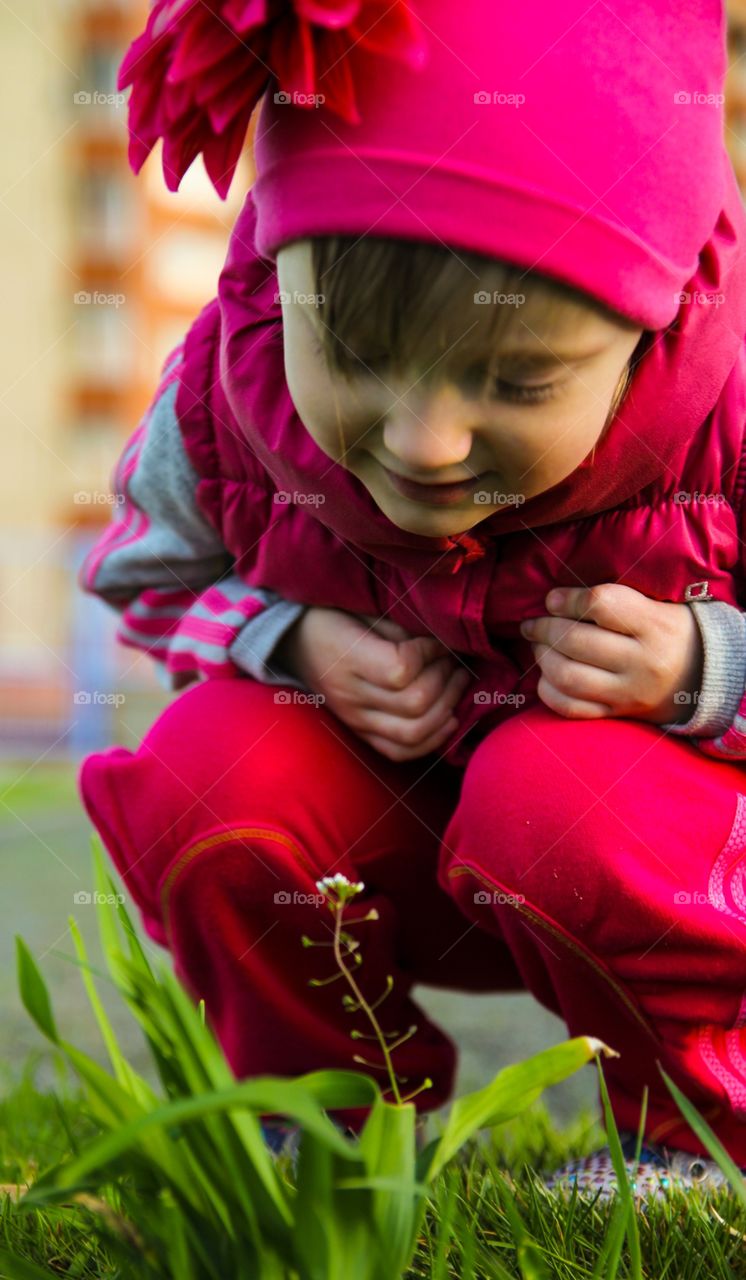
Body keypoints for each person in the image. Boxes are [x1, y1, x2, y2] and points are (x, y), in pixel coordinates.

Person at [77, 0, 746, 1195]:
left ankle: (697, 1129)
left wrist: (708, 668)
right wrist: (285, 638)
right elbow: (141, 578)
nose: (422, 443)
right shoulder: (222, 401)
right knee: (208, 768)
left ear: (647, 329)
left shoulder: (724, 421)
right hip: (395, 849)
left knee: (550, 791)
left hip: (657, 861)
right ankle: (327, 1119)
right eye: (354, 357)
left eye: (515, 377)